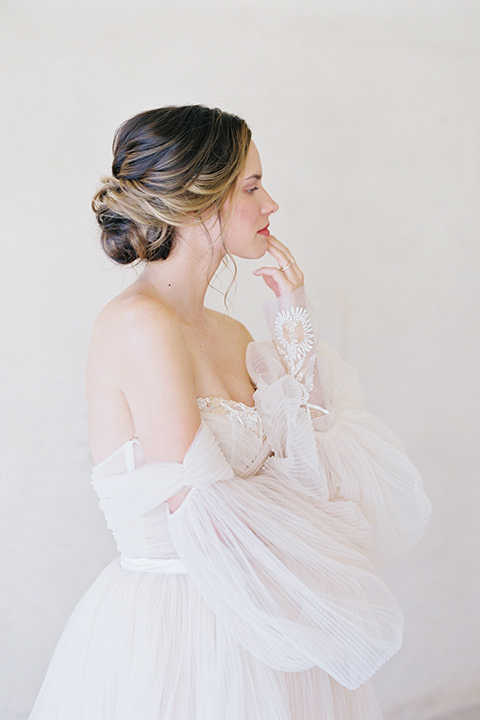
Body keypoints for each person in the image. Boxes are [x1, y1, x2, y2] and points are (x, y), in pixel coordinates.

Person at [28, 105, 431, 720]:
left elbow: (317, 464)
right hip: (186, 632)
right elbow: (205, 513)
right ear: (196, 201)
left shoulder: (231, 329)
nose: (271, 204)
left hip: (260, 610)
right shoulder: (139, 326)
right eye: (252, 186)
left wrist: (293, 318)